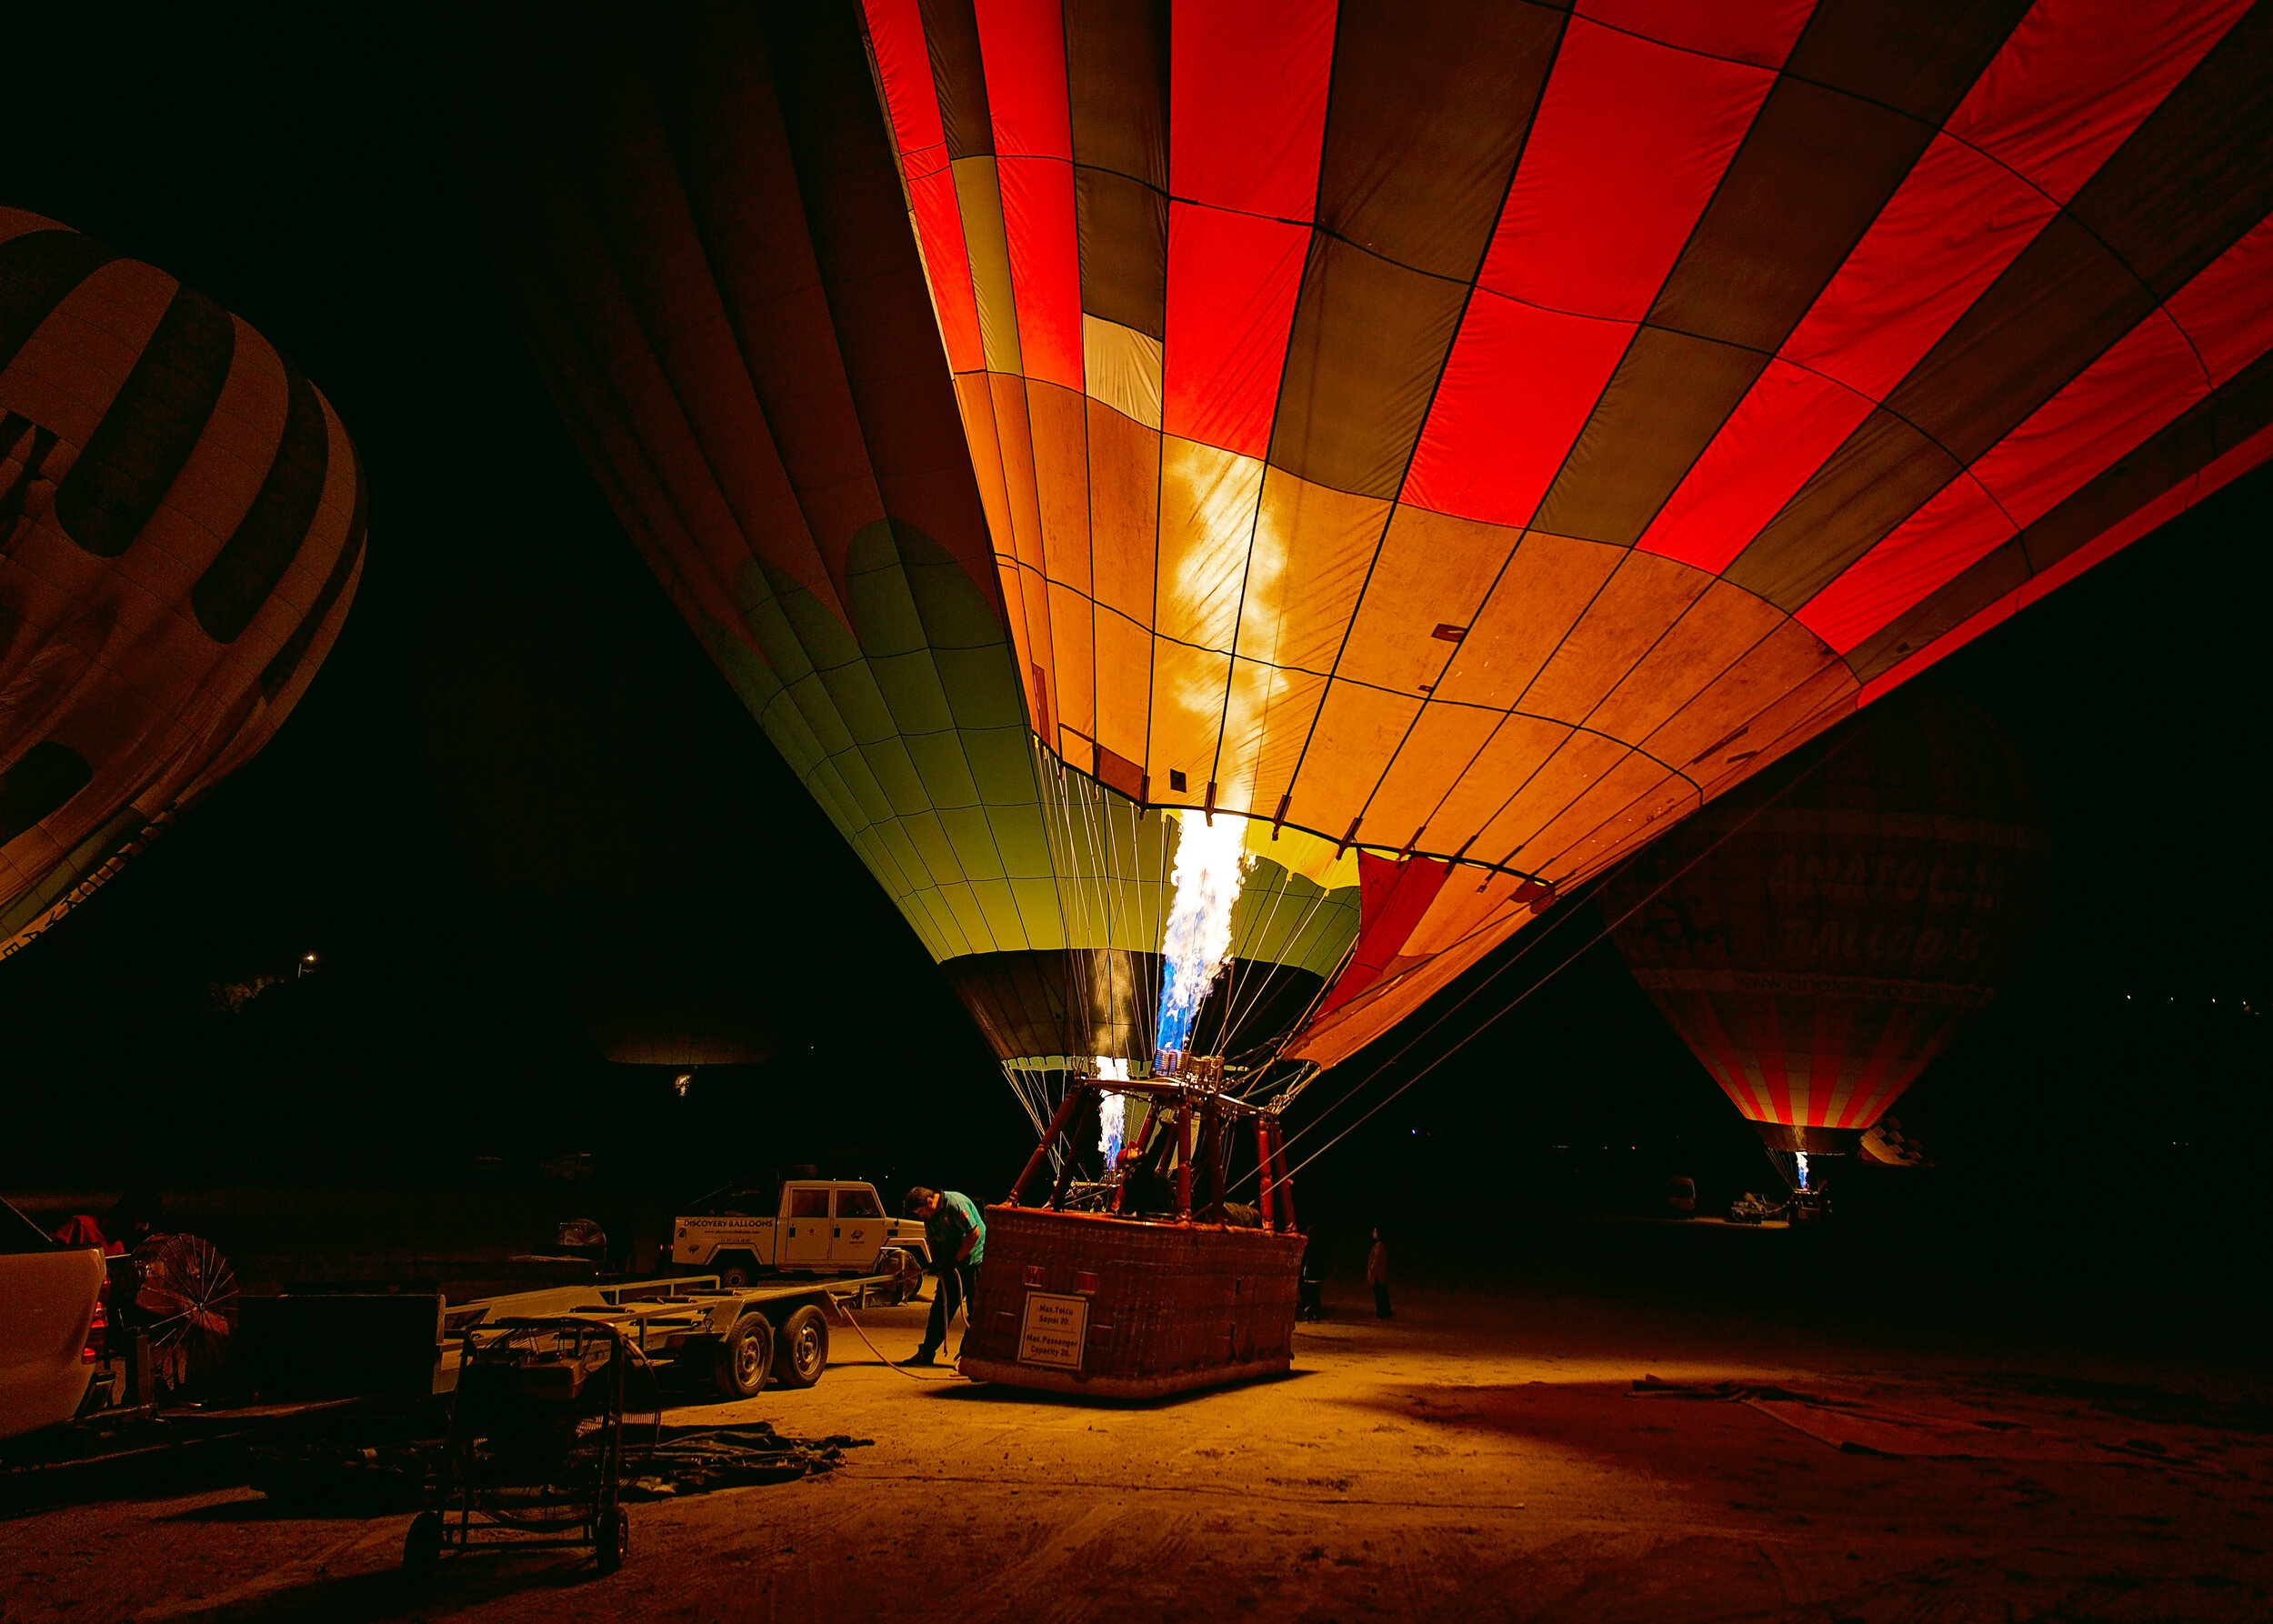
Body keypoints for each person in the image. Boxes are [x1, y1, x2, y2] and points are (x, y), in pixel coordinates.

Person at [901, 1186, 985, 1367]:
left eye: (921, 1211)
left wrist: (955, 1260)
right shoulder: (929, 1217)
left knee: (975, 1310)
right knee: (940, 1309)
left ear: (930, 1202)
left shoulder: (955, 1204)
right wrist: (937, 1262)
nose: (921, 1215)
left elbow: (974, 1233)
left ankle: (967, 1355)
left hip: (974, 1262)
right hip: (952, 1263)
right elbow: (932, 1239)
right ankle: (926, 1352)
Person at [1366, 1227, 1391, 1319]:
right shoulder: (1380, 1245)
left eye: (1375, 1231)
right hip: (1381, 1275)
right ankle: (1386, 1312)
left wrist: (1371, 1270)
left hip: (1378, 1275)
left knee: (1380, 1294)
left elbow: (1376, 1260)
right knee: (1382, 1293)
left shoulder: (1379, 1246)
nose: (1373, 1233)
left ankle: (1382, 1313)